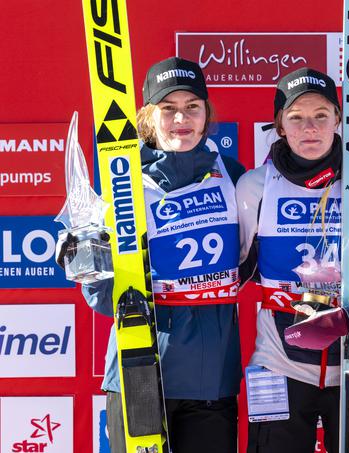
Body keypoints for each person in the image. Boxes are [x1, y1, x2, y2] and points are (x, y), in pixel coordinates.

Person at [59, 57, 244, 453]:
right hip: (138, 370)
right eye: (169, 108)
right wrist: (85, 259)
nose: (182, 118)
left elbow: (252, 260)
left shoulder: (232, 175)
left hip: (212, 380)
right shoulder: (122, 184)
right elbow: (105, 298)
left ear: (207, 114)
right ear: (148, 117)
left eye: (193, 107)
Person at [237, 67, 349, 453]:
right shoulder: (255, 187)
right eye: (297, 117)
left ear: (338, 119)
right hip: (277, 363)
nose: (310, 127)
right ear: (279, 125)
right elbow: (228, 270)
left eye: (321, 115)